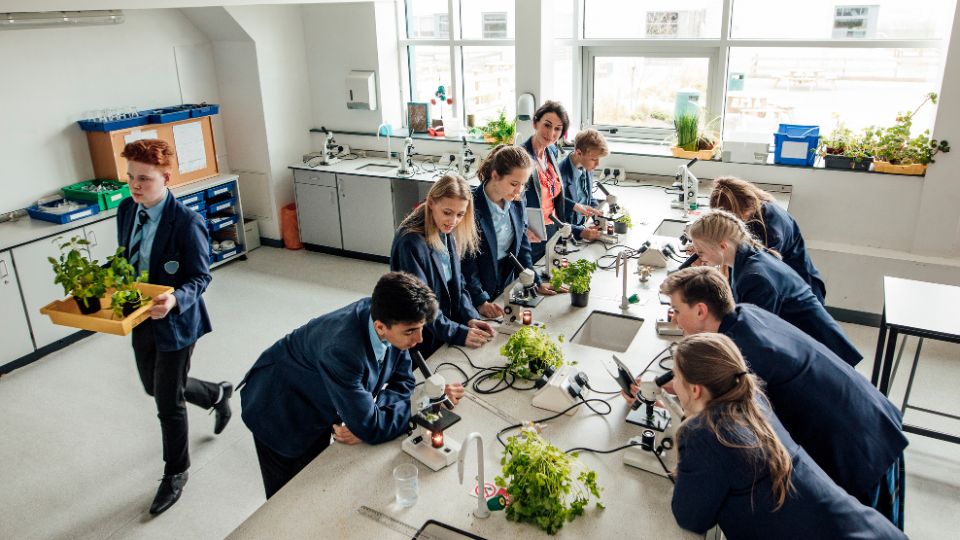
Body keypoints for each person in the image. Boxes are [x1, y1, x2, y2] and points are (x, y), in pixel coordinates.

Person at [660, 267, 908, 528]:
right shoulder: (744, 317)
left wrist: (679, 407)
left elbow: (720, 418)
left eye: (677, 310)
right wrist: (670, 386)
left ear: (700, 310)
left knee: (857, 526)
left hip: (860, 448)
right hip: (871, 416)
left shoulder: (747, 354)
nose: (675, 319)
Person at [647, 333, 906, 539]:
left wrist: (687, 429)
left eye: (677, 378)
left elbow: (690, 518)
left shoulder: (704, 435)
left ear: (694, 389)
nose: (673, 384)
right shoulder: (752, 399)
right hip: (863, 527)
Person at [239, 272, 463, 499]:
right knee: (287, 499)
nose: (419, 339)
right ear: (380, 327)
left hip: (321, 398)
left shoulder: (391, 317)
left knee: (313, 484)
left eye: (421, 328)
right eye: (411, 331)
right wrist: (416, 408)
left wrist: (372, 419)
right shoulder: (342, 350)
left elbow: (402, 380)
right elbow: (372, 427)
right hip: (280, 409)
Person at [117, 139, 232, 515]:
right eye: (131, 177)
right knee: (154, 386)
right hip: (139, 317)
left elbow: (201, 277)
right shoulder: (125, 211)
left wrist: (175, 299)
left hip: (177, 322)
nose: (135, 185)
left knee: (168, 402)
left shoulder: (187, 222)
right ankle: (217, 394)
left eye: (144, 179)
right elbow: (126, 261)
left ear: (166, 178)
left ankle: (175, 472)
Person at [686, 210, 862, 367]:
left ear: (723, 246)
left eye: (701, 252)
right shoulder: (746, 258)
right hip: (809, 347)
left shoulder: (756, 278)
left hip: (824, 357)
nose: (699, 256)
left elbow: (752, 336)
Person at [390, 174, 494, 356]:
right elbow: (421, 304)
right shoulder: (410, 243)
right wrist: (458, 333)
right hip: (423, 336)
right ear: (431, 203)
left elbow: (457, 281)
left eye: (460, 214)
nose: (453, 221)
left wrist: (469, 317)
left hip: (445, 326)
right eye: (447, 212)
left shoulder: (447, 230)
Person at [461, 145, 560, 318]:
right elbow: (466, 262)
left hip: (506, 282)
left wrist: (534, 280)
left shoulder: (516, 201)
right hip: (478, 286)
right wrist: (480, 300)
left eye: (523, 184)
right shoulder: (470, 208)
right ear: (495, 176)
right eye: (514, 184)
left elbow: (522, 247)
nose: (518, 191)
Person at [709, 176, 826, 303]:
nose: (732, 225)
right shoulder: (759, 210)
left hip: (799, 295)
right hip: (784, 290)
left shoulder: (769, 225)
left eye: (732, 219)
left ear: (743, 208)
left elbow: (753, 267)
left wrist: (714, 256)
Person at [522, 100, 570, 262]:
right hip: (531, 232)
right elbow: (508, 200)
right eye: (547, 125)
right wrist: (523, 230)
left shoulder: (552, 151)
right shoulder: (521, 156)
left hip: (552, 227)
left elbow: (555, 195)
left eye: (558, 129)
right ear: (535, 123)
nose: (551, 133)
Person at [558, 129, 607, 242]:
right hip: (568, 237)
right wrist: (579, 232)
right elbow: (555, 218)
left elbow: (587, 197)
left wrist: (597, 213)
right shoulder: (559, 175)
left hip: (583, 228)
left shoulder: (587, 166)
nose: (597, 164)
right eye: (594, 159)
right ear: (579, 153)